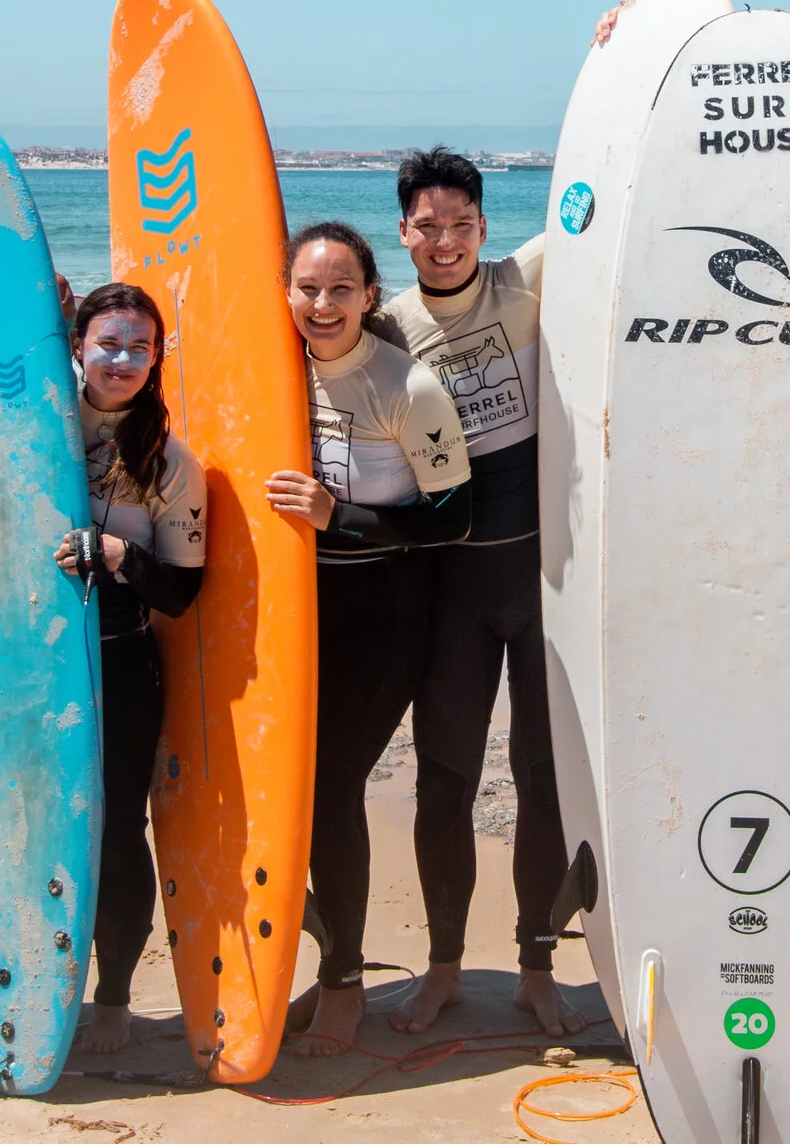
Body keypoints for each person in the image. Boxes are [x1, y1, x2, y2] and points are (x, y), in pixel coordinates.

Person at [376, 148, 584, 1039]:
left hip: (541, 580)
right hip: (454, 589)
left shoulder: (522, 278)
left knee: (542, 782)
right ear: (403, 231)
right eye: (429, 226)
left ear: (484, 227)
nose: (446, 240)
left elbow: (599, 198)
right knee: (445, 782)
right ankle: (445, 967)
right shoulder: (388, 326)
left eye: (462, 224)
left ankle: (537, 967)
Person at [266, 221, 473, 1056]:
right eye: (309, 288)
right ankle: (320, 962)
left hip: (385, 615)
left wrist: (337, 515)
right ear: (286, 291)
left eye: (341, 288)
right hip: (298, 612)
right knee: (286, 794)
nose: (323, 304)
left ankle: (344, 982)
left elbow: (452, 518)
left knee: (329, 788)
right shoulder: (272, 366)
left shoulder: (408, 385)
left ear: (368, 294)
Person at [49, 283, 208, 1055]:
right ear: (77, 345)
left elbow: (181, 590)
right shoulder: (37, 419)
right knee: (42, 822)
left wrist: (121, 555)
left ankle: (111, 996)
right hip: (32, 658)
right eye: (108, 343)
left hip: (120, 659)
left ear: (156, 358)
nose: (122, 359)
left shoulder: (168, 461)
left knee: (115, 831)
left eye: (139, 348)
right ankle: (43, 980)